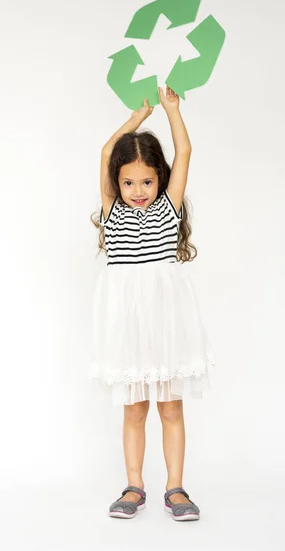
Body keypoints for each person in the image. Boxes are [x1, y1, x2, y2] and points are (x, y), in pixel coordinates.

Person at [89, 85, 216, 521]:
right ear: (116, 182)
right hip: (128, 327)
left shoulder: (168, 208)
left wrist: (171, 110)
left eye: (146, 181)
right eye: (127, 182)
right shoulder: (113, 213)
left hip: (166, 324)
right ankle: (133, 486)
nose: (137, 189)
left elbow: (184, 151)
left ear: (159, 178)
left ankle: (176, 489)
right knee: (134, 408)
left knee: (171, 407)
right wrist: (136, 118)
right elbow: (108, 150)